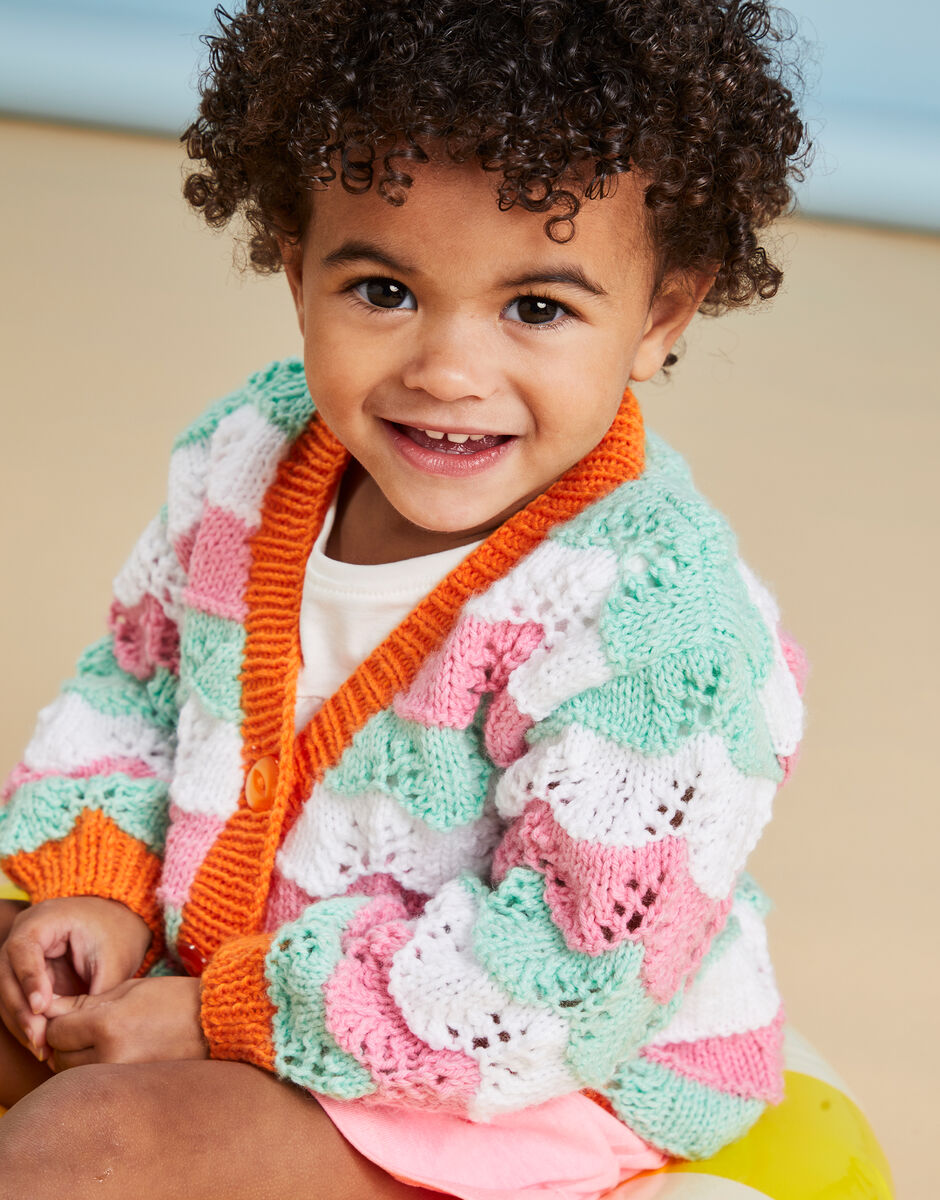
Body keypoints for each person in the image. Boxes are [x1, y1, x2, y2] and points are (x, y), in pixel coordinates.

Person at [0, 1, 810, 1196]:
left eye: (537, 308)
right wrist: (96, 889)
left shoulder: (654, 624)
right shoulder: (247, 457)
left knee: (93, 1146)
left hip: (517, 1060)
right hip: (233, 972)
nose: (447, 371)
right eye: (383, 290)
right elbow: (134, 691)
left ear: (659, 317)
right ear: (296, 267)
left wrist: (222, 1017)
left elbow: (562, 981)